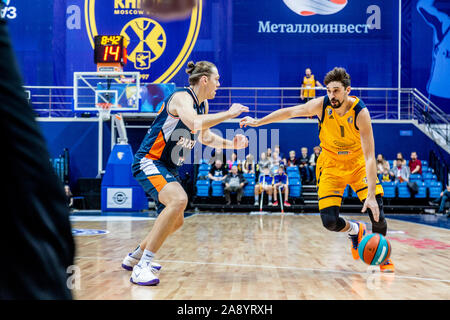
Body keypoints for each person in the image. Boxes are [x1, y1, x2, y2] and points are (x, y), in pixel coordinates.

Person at [241, 67, 394, 272]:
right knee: (330, 222)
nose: (332, 95)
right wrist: (259, 121)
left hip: (357, 164)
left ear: (348, 90)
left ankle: (382, 257)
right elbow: (290, 112)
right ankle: (355, 230)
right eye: (329, 90)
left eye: (337, 91)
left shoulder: (361, 113)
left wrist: (372, 196)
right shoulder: (321, 105)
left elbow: (369, 157)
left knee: (378, 214)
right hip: (330, 164)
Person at [122, 60, 249, 286]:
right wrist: (229, 113)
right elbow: (192, 122)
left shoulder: (203, 106)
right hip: (150, 160)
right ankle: (143, 266)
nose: (219, 84)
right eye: (216, 79)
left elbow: (205, 136)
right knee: (179, 199)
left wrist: (233, 145)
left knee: (176, 221)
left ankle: (135, 256)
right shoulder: (182, 98)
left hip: (169, 167)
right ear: (204, 80)